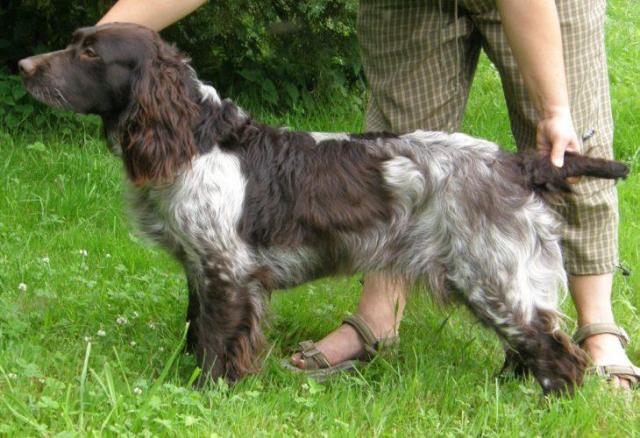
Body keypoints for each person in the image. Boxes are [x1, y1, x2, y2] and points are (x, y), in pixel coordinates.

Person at [97, 0, 638, 388]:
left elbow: (230, 274)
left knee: (562, 150)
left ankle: (588, 341)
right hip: (409, 14)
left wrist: (555, 110)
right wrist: (103, 42)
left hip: (538, 9)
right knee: (408, 147)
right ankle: (378, 325)